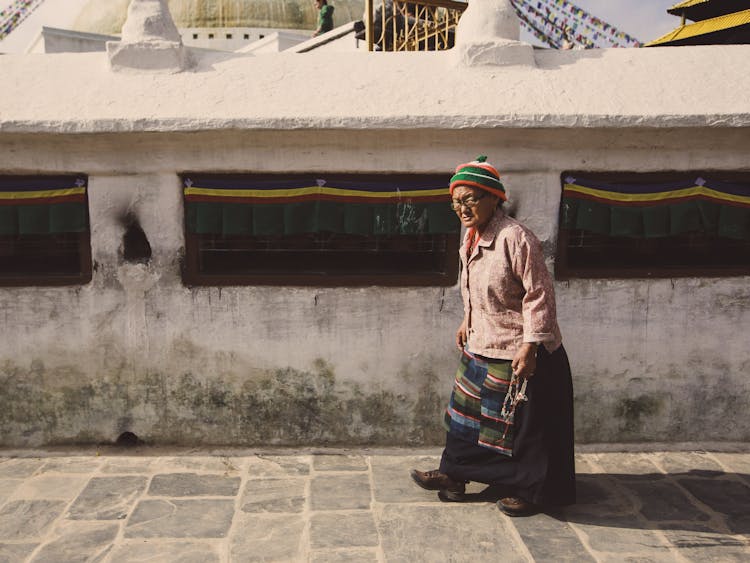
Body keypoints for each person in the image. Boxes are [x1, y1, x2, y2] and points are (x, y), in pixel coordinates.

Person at [410, 156, 576, 517]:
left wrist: (531, 346)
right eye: (456, 202)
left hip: (522, 349)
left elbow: (539, 294)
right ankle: (454, 475)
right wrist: (466, 319)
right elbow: (473, 287)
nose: (462, 208)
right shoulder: (470, 238)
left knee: (526, 427)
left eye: (470, 199)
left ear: (492, 198)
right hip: (482, 342)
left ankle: (533, 491)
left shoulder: (515, 238)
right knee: (465, 417)